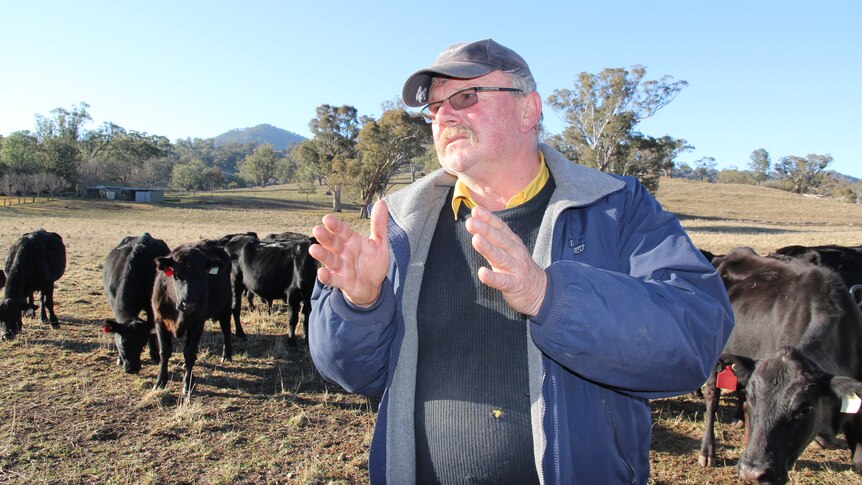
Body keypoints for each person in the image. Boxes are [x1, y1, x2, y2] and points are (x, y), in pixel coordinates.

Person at [308, 38, 734, 484]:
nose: (444, 116)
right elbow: (351, 375)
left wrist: (549, 296)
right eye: (434, 109)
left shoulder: (616, 208)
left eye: (465, 97)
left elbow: (694, 339)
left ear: (529, 109)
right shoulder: (397, 224)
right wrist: (360, 305)